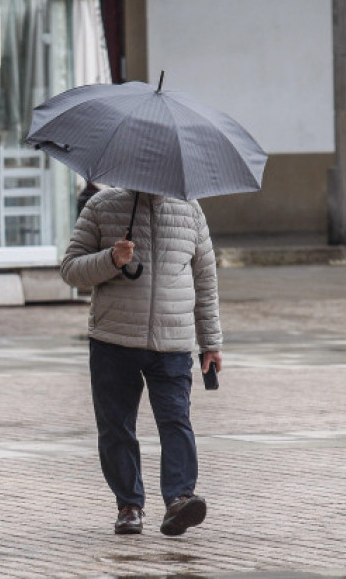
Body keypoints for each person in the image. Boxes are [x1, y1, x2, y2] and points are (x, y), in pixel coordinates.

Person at [60, 187, 223, 536]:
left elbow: (205, 279)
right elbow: (71, 270)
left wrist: (210, 341)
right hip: (113, 339)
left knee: (176, 420)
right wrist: (111, 260)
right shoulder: (102, 206)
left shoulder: (190, 211)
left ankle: (179, 500)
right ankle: (129, 505)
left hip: (173, 340)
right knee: (116, 426)